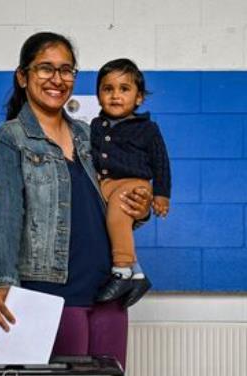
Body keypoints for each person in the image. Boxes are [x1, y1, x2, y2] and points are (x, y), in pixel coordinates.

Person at [0, 32, 152, 368]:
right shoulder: (11, 138)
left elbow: (109, 196)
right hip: (51, 292)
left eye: (66, 70)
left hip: (108, 289)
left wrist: (141, 208)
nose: (57, 79)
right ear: (23, 76)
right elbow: (7, 216)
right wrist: (2, 282)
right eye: (45, 69)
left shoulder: (87, 134)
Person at [90, 58, 171, 306]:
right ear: (99, 96)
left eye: (124, 89)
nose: (116, 95)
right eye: (108, 89)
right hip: (106, 184)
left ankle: (122, 270)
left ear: (138, 98)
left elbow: (161, 161)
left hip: (133, 183)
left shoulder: (147, 128)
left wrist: (161, 195)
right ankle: (137, 274)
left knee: (117, 215)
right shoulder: (95, 125)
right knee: (109, 225)